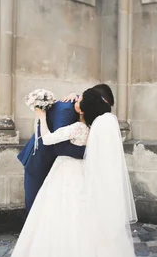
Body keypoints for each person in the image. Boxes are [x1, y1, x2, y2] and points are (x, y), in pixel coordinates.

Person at [0, 89, 141, 257]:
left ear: (83, 109)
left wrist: (40, 116)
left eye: (81, 99)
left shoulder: (76, 127)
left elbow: (47, 140)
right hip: (82, 177)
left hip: (64, 175)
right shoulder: (94, 130)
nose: (77, 99)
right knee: (83, 224)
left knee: (55, 223)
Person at [17, 84, 114, 212]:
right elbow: (59, 147)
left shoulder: (84, 103)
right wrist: (89, 152)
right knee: (35, 202)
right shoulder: (66, 111)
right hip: (41, 159)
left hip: (59, 162)